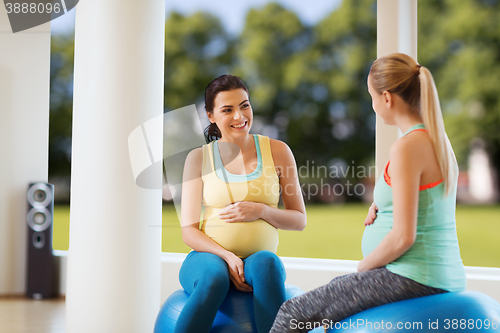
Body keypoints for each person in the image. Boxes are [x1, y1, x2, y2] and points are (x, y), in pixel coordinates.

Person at [269, 53, 466, 333]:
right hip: (437, 272)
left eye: (372, 97)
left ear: (386, 98)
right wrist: (382, 203)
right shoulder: (438, 139)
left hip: (412, 276)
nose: (373, 105)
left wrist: (364, 267)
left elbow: (403, 237)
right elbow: (426, 201)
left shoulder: (408, 147)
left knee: (292, 313)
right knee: (334, 297)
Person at [176, 74, 307, 333]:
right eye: (227, 110)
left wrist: (261, 210)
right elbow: (188, 230)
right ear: (211, 115)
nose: (239, 116)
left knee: (267, 264)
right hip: (208, 257)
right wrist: (227, 257)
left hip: (258, 258)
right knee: (215, 278)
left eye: (244, 105)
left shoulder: (278, 151)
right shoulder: (198, 158)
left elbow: (298, 219)